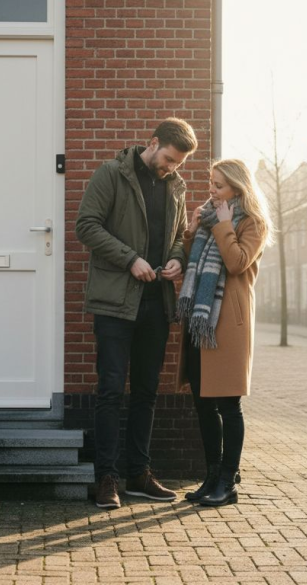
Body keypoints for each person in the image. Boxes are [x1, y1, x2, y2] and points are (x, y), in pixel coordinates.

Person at [75, 118, 198, 509]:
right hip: (115, 303)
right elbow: (86, 226)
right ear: (152, 143)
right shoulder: (111, 175)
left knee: (146, 391)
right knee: (111, 390)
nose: (171, 168)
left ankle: (139, 475)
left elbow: (179, 237)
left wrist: (177, 260)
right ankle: (106, 478)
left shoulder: (176, 187)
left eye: (178, 164)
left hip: (156, 304)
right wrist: (131, 260)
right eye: (168, 159)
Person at [176, 158, 275, 506]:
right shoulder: (209, 217)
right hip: (202, 321)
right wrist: (191, 230)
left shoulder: (253, 223)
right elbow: (193, 261)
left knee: (228, 405)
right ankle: (212, 475)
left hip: (227, 324)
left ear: (237, 187)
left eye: (218, 184)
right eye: (211, 182)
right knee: (203, 404)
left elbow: (236, 262)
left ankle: (228, 482)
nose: (211, 189)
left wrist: (221, 225)